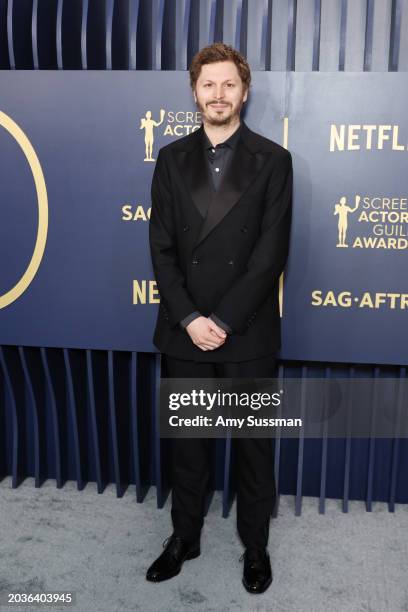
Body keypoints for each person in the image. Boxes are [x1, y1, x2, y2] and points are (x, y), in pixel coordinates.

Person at [147, 42, 293, 594]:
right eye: (208, 84)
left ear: (245, 91)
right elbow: (161, 248)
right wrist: (189, 318)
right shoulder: (170, 159)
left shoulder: (274, 160)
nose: (218, 94)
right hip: (185, 333)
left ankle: (255, 546)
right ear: (194, 92)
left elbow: (269, 255)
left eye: (228, 84)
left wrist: (223, 320)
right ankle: (184, 536)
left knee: (254, 449)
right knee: (188, 445)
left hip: (247, 331)